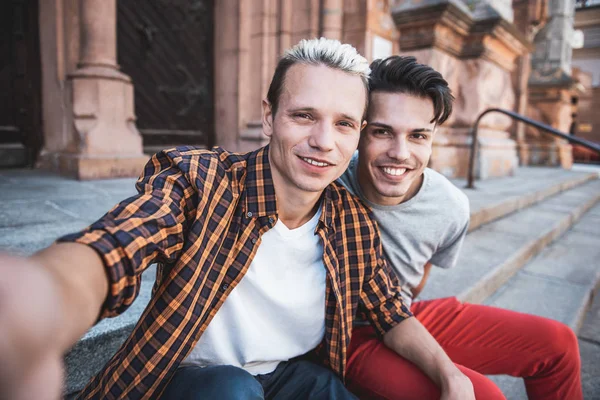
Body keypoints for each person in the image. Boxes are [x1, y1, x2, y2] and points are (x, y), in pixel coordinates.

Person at [0, 39, 475, 400]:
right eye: (304, 115)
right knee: (232, 389)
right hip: (189, 380)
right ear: (269, 117)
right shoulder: (200, 181)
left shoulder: (350, 219)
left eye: (345, 124)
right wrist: (45, 297)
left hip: (289, 374)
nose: (324, 141)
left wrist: (448, 373)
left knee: (326, 386)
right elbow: (119, 244)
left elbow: (389, 311)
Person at [338, 55, 583, 400]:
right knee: (485, 396)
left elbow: (419, 274)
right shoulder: (331, 182)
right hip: (345, 336)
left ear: (434, 136)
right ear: (360, 132)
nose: (400, 152)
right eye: (382, 131)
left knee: (557, 345)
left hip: (403, 316)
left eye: (419, 135)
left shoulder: (449, 205)